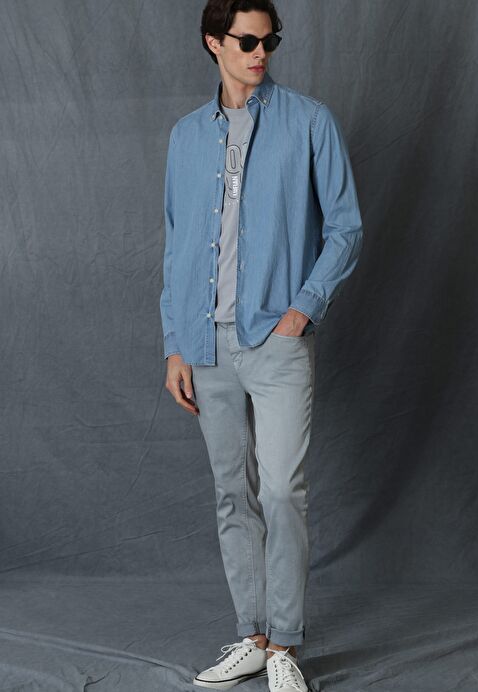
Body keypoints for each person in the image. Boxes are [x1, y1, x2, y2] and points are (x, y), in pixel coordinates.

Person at [160, 1, 363, 689]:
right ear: (213, 42)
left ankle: (285, 647)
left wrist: (300, 311)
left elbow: (345, 229)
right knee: (232, 494)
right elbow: (177, 245)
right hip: (205, 344)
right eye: (247, 40)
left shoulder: (309, 122)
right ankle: (251, 635)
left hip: (277, 341)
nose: (260, 52)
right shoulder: (187, 136)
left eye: (270, 40)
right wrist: (175, 344)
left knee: (281, 491)